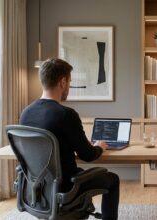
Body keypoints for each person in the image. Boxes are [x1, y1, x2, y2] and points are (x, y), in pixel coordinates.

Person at [19, 58, 119, 220]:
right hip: (67, 186)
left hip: (37, 187)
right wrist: (99, 146)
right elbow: (88, 155)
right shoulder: (66, 115)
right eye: (70, 82)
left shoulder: (26, 112)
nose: (69, 87)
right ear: (63, 82)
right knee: (112, 179)